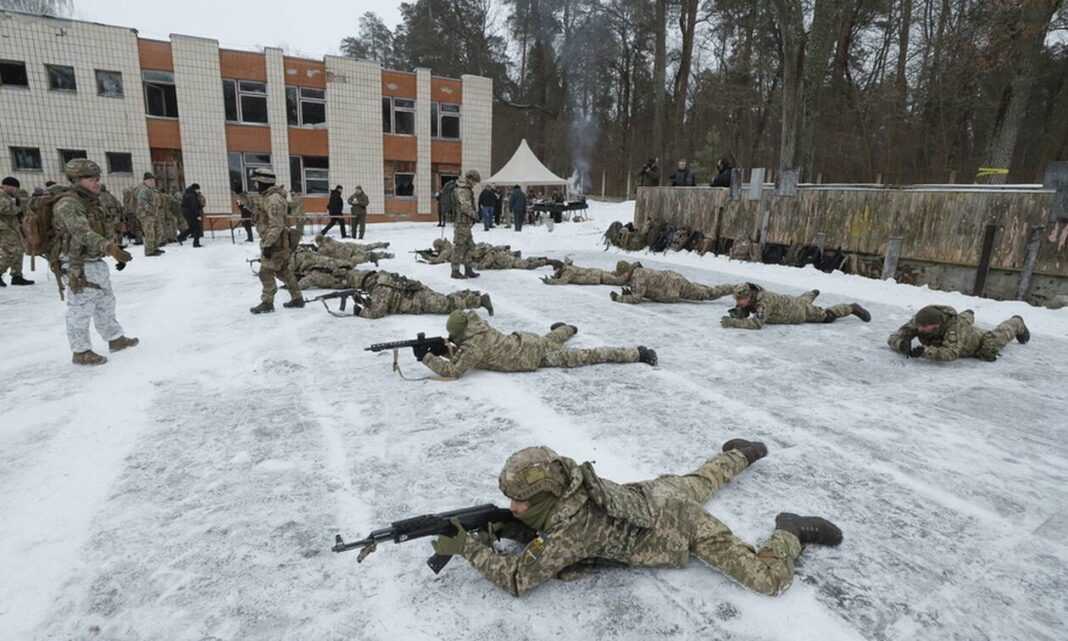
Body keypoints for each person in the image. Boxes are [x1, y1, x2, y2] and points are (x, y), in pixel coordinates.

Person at [430, 441, 842, 597]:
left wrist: (468, 548)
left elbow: (518, 579)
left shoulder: (570, 531)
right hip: (652, 494)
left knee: (767, 580)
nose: (513, 506)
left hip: (680, 526)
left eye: (520, 501)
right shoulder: (571, 480)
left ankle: (791, 531)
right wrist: (512, 525)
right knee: (702, 480)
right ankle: (742, 453)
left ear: (547, 494)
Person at [52, 159, 138, 365]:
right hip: (76, 264)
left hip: (94, 261)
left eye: (97, 178)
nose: (96, 182)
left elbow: (101, 228)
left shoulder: (91, 201)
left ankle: (114, 338)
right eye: (90, 179)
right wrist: (109, 248)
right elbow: (81, 232)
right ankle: (80, 351)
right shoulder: (67, 204)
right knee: (80, 308)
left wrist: (114, 248)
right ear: (75, 180)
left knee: (106, 302)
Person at [419, 311, 658, 378]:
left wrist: (427, 357)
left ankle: (637, 353)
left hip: (533, 357)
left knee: (586, 356)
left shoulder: (473, 346)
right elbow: (469, 355)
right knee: (550, 339)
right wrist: (447, 350)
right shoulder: (478, 328)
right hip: (526, 341)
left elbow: (454, 372)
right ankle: (567, 328)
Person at [248, 167, 303, 314]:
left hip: (276, 243)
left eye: (256, 182)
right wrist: (241, 194)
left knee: (265, 272)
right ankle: (297, 298)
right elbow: (256, 209)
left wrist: (268, 245)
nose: (255, 185)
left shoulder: (274, 200)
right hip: (277, 241)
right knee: (283, 272)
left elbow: (277, 225)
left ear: (263, 182)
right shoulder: (267, 197)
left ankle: (267, 302)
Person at [887, 305, 1030, 362]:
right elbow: (894, 337)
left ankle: (1017, 322)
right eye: (919, 326)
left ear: (936, 325)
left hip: (978, 341)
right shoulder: (920, 321)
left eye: (924, 327)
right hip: (962, 332)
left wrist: (926, 352)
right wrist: (901, 344)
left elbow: (951, 353)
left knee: (997, 339)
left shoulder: (954, 328)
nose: (919, 330)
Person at [720, 283, 871, 329]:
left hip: (799, 312)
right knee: (802, 300)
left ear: (749, 296)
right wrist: (740, 312)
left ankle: (851, 307)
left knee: (827, 316)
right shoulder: (753, 297)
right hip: (791, 302)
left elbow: (756, 323)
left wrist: (733, 322)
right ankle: (811, 294)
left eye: (741, 300)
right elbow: (747, 309)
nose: (738, 303)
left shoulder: (764, 302)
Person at [610, 267, 737, 304]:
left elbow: (637, 298)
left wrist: (619, 298)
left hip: (674, 287)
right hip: (674, 279)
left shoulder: (638, 278)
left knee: (708, 294)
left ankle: (734, 288)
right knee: (704, 289)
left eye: (622, 275)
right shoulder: (638, 272)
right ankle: (732, 288)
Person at [0, 176, 34, 286]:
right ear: (7, 186)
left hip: (11, 228)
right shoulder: (1, 195)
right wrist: (19, 207)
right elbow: (6, 209)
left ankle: (17, 276)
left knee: (18, 250)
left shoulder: (7, 196)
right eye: (14, 188)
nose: (15, 190)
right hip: (4, 228)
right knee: (11, 251)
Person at [452, 169, 482, 279]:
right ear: (470, 179)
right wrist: (475, 215)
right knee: (459, 247)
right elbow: (465, 207)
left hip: (466, 224)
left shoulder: (467, 189)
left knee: (469, 246)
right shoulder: (462, 190)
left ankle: (468, 269)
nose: (475, 184)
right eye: (475, 182)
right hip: (461, 223)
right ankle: (455, 271)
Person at [132, 172, 163, 256]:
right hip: (146, 215)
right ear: (145, 181)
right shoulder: (143, 190)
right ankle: (149, 251)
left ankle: (155, 247)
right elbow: (142, 202)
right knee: (150, 232)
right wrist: (152, 210)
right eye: (150, 180)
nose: (152, 182)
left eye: (153, 180)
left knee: (158, 231)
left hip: (154, 214)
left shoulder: (153, 190)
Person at [542, 260, 640, 286]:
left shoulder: (568, 272)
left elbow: (563, 281)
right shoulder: (568, 268)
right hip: (597, 273)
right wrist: (555, 277)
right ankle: (632, 275)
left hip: (598, 277)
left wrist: (550, 281)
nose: (555, 271)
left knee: (619, 281)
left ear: (560, 268)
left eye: (555, 269)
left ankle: (633, 268)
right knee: (617, 275)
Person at [313, 234, 392, 265]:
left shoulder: (325, 245)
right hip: (349, 253)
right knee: (367, 254)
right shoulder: (328, 241)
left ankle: (381, 248)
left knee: (366, 251)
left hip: (349, 252)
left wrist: (317, 249)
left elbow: (328, 250)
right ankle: (383, 253)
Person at [180, 183, 204, 248]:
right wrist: (197, 215)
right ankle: (196, 243)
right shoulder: (192, 196)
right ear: (195, 189)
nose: (198, 190)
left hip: (187, 213)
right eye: (198, 189)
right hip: (191, 213)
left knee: (192, 228)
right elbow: (193, 206)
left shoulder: (189, 193)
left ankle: (180, 237)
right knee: (197, 228)